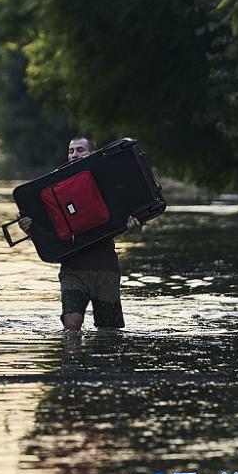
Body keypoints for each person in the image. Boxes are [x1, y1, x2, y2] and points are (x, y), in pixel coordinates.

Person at [19, 137, 142, 331]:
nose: (74, 154)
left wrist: (134, 226)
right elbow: (46, 230)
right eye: (71, 151)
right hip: (72, 269)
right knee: (71, 324)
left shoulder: (109, 182)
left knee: (109, 331)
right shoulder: (55, 186)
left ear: (92, 154)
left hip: (106, 269)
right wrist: (29, 227)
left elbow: (129, 219)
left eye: (80, 150)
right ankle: (72, 361)